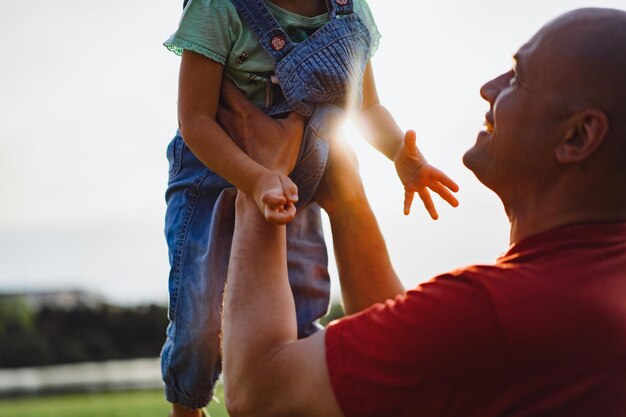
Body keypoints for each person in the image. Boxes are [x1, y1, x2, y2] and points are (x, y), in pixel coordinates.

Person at [221, 7, 626, 417]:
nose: (489, 88)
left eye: (518, 77)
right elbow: (414, 361)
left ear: (578, 137)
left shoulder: (502, 312)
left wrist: (261, 180)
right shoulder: (591, 290)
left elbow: (261, 392)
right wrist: (349, 206)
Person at [160, 0, 458, 415]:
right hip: (212, 181)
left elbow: (367, 106)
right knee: (199, 317)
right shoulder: (219, 9)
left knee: (297, 300)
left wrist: (403, 157)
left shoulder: (350, 12)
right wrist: (255, 178)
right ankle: (187, 406)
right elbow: (195, 121)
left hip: (298, 177)